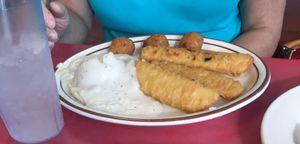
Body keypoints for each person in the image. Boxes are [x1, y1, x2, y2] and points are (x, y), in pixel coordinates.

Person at [42, 0, 286, 57]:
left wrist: (210, 74)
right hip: (117, 77)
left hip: (224, 70)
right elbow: (77, 25)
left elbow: (263, 29)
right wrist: (58, 28)